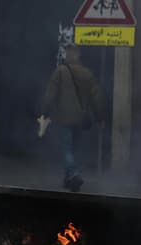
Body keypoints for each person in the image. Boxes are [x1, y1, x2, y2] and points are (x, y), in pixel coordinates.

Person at [39, 44, 105, 192]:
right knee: (74, 149)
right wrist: (100, 117)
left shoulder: (60, 72)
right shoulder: (87, 73)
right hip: (80, 119)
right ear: (78, 55)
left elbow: (50, 94)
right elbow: (96, 97)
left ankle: (74, 174)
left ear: (68, 55)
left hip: (64, 118)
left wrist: (45, 113)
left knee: (67, 149)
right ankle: (68, 179)